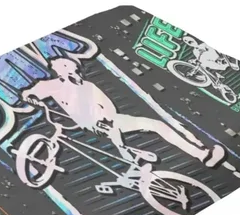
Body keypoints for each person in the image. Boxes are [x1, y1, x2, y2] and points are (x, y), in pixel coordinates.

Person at [21, 58, 225, 167]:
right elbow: (30, 92)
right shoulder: (53, 85)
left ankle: (201, 155)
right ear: (60, 70)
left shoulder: (88, 85)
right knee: (147, 129)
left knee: (155, 126)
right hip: (94, 123)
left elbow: (107, 105)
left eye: (72, 67)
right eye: (66, 67)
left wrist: (109, 120)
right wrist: (30, 97)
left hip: (111, 120)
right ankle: (200, 155)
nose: (72, 70)